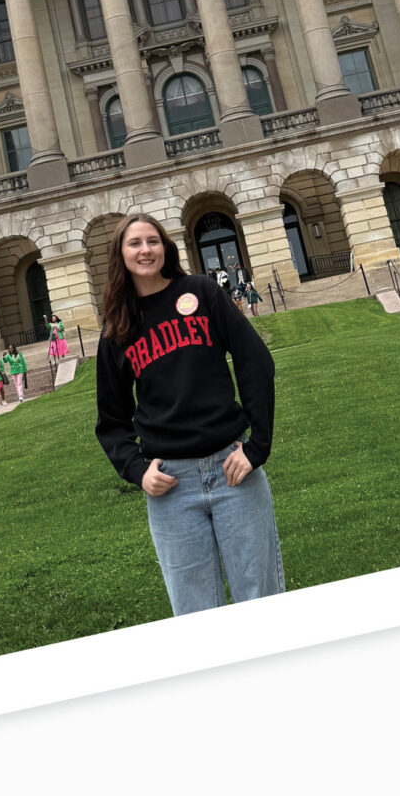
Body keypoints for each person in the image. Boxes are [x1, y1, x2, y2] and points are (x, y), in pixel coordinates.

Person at [92, 212, 284, 614]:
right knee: (196, 615)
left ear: (166, 247)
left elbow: (255, 362)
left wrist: (256, 447)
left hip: (233, 470)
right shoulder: (118, 327)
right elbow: (111, 418)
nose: (145, 250)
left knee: (261, 601)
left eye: (153, 241)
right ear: (120, 254)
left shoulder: (200, 292)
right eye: (135, 243)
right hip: (171, 487)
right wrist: (136, 469)